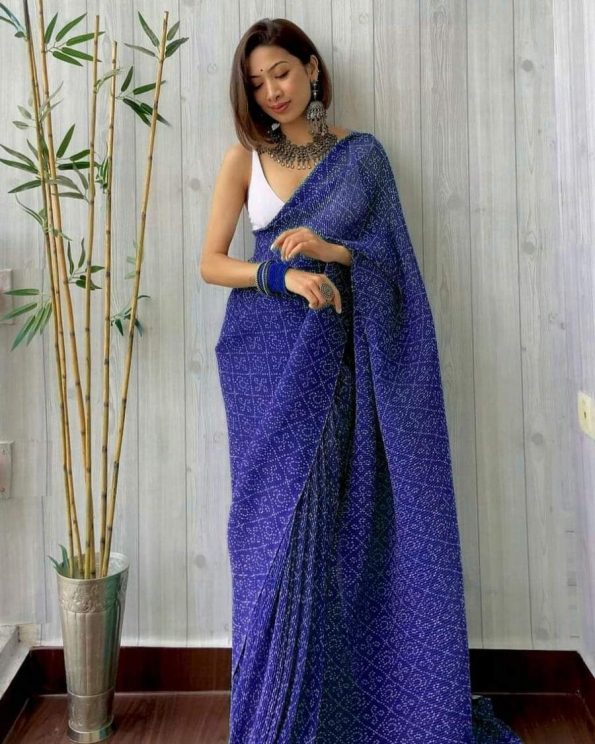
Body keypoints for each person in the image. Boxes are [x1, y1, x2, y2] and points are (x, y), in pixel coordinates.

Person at [200, 17, 524, 744]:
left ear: (312, 69)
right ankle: (271, 719)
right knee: (265, 541)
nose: (272, 91)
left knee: (329, 531)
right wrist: (279, 274)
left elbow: (392, 261)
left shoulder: (362, 157)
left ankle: (333, 715)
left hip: (335, 366)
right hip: (260, 368)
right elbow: (211, 263)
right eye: (256, 82)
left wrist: (331, 249)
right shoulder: (243, 159)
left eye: (282, 72)